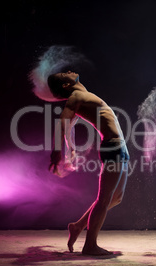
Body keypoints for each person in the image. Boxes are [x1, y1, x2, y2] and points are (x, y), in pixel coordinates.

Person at [48, 71, 129, 255]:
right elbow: (63, 123)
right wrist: (58, 151)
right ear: (66, 86)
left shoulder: (82, 96)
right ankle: (90, 245)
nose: (69, 71)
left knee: (115, 198)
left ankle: (77, 227)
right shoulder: (76, 96)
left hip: (120, 148)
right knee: (104, 199)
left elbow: (70, 126)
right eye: (64, 74)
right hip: (112, 147)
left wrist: (71, 147)